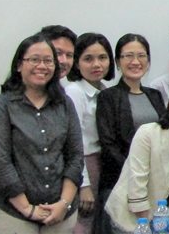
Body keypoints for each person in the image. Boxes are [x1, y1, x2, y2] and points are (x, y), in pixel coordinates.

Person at [0, 33, 83, 233]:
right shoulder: (1, 105)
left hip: (60, 212)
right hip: (11, 212)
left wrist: (64, 203)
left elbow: (75, 157)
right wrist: (27, 209)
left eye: (48, 61)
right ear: (19, 65)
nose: (42, 66)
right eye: (34, 60)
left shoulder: (64, 103)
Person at [103, 81, 169, 234]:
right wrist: (147, 228)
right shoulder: (148, 133)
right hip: (130, 218)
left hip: (164, 223)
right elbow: (137, 184)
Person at [94, 33, 166, 233]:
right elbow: (109, 145)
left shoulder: (155, 95)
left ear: (148, 61)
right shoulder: (107, 97)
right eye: (128, 56)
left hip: (153, 186)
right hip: (120, 183)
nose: (136, 62)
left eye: (141, 56)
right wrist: (136, 175)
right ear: (117, 62)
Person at [63, 32, 116, 233]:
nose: (97, 64)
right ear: (76, 63)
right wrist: (83, 185)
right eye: (88, 59)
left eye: (102, 58)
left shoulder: (104, 91)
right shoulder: (75, 92)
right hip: (83, 166)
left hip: (101, 164)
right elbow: (73, 142)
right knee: (81, 226)